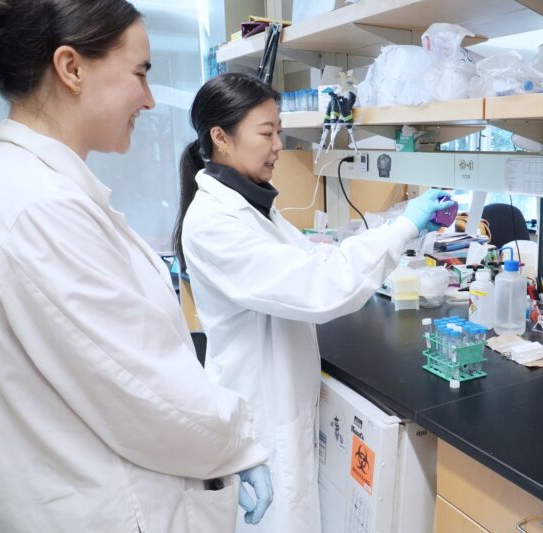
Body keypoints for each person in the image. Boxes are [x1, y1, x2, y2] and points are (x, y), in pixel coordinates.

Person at [0, 2, 273, 531]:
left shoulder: (35, 188)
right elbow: (142, 393)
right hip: (110, 506)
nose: (150, 97)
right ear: (71, 68)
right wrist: (239, 441)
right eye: (140, 73)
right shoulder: (39, 207)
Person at [174, 73, 453, 532]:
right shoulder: (215, 223)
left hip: (279, 406)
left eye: (279, 130)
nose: (279, 144)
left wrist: (398, 231)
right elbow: (320, 286)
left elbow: (315, 259)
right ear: (220, 137)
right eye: (266, 133)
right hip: (260, 420)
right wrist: (403, 226)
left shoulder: (253, 206)